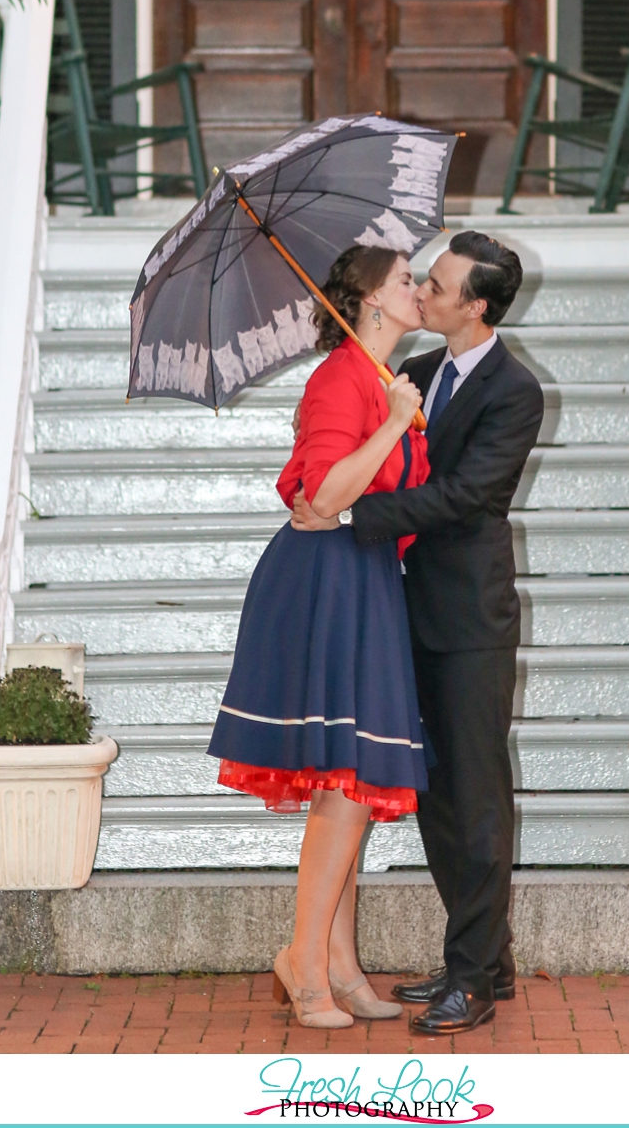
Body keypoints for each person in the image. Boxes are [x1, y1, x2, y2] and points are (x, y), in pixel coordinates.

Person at [290, 229, 544, 1036]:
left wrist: (352, 512)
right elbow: (353, 444)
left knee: (476, 797)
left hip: (469, 619)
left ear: (476, 305)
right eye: (420, 281)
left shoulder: (515, 390)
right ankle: (486, 957)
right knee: (434, 793)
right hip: (399, 612)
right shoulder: (415, 375)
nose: (426, 292)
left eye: (438, 285)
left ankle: (470, 978)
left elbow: (467, 496)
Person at [208, 243, 428, 1031]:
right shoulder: (342, 377)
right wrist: (395, 423)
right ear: (369, 300)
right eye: (406, 279)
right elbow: (326, 495)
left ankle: (338, 962)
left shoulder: (375, 379)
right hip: (324, 577)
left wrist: (397, 412)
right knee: (341, 785)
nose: (419, 287)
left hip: (360, 577)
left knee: (353, 787)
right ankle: (306, 967)